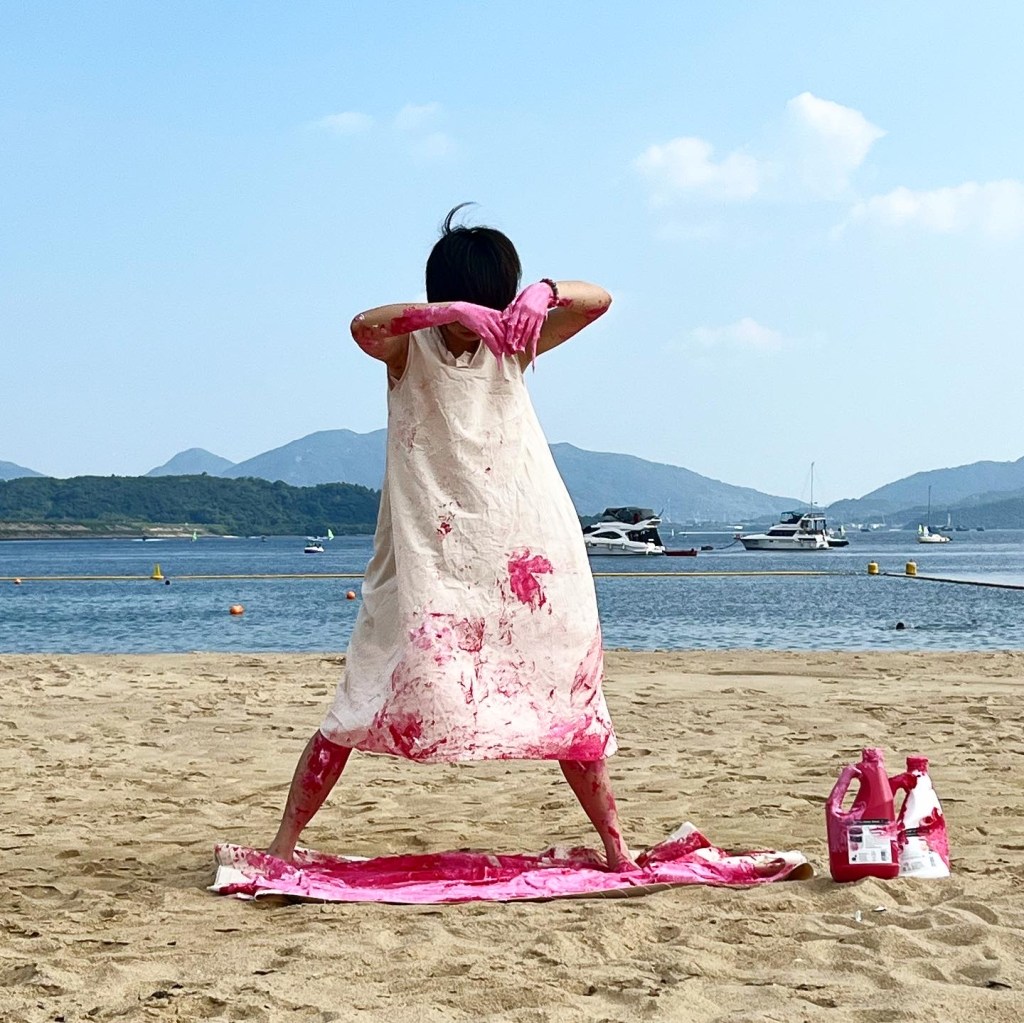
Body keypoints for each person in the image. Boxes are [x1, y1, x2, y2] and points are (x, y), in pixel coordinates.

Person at [267, 205, 636, 871]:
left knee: (566, 699)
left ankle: (617, 848)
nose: (480, 317)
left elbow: (599, 300)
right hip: (423, 556)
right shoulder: (409, 347)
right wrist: (449, 313)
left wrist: (543, 292)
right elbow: (363, 325)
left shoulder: (515, 343)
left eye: (489, 301)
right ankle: (282, 846)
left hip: (523, 545)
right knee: (360, 694)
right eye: (471, 302)